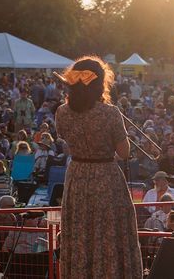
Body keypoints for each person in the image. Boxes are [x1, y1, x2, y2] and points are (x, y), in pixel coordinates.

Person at [54, 56, 141, 279]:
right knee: (108, 233)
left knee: (81, 232)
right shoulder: (110, 113)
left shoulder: (62, 112)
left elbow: (64, 137)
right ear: (100, 83)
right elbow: (124, 153)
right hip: (105, 177)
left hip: (77, 176)